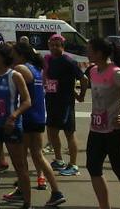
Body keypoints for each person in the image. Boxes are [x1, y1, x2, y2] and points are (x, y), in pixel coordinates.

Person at [4, 39, 66, 207]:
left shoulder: (20, 69)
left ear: (20, 55)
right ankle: (52, 190)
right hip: (38, 116)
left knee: (24, 157)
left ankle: (52, 191)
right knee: (36, 154)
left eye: (13, 54)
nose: (11, 57)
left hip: (28, 117)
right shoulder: (35, 68)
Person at [85, 37, 120, 209]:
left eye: (90, 50)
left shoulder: (116, 73)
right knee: (93, 168)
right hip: (96, 129)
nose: (87, 53)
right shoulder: (93, 70)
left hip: (116, 130)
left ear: (100, 53)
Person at [0, 43, 32, 209]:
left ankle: (27, 202)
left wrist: (14, 115)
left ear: (4, 57)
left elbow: (27, 101)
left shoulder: (15, 75)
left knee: (19, 165)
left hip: (11, 126)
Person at [44, 34, 88, 177]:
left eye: (57, 45)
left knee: (69, 133)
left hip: (65, 103)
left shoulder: (68, 61)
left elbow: (84, 79)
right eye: (52, 45)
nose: (54, 47)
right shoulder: (50, 60)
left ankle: (73, 164)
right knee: (51, 131)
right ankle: (59, 160)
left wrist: (81, 95)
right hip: (51, 100)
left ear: (63, 47)